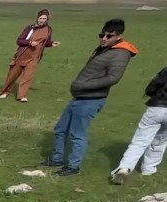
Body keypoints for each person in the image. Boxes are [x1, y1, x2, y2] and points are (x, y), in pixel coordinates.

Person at [46, 19, 138, 176]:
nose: (104, 38)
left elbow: (113, 78)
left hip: (91, 99)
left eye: (109, 36)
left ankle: (73, 167)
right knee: (60, 129)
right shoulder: (106, 48)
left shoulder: (120, 54)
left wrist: (83, 85)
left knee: (77, 134)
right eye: (102, 35)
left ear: (118, 36)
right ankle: (56, 159)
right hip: (80, 97)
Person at [111, 65, 167, 184]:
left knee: (139, 142)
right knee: (160, 142)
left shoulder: (165, 70)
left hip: (155, 108)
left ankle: (124, 167)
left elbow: (150, 90)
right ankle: (149, 169)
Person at [0, 9, 60, 102]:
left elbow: (45, 42)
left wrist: (51, 43)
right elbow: (19, 40)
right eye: (40, 18)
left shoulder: (49, 30)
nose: (42, 20)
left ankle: (22, 96)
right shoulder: (30, 28)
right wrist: (30, 43)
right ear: (37, 18)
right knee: (12, 76)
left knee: (27, 77)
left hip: (34, 57)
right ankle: (5, 92)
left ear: (47, 19)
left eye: (44, 18)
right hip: (22, 55)